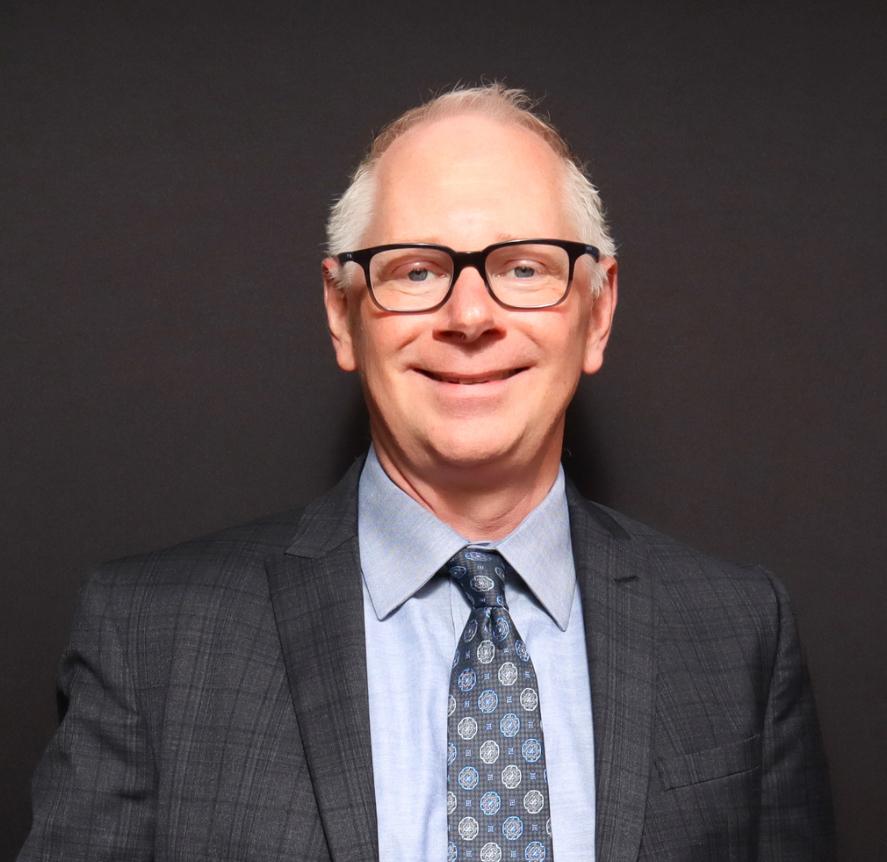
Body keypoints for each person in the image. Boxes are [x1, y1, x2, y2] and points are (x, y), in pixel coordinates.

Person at [19, 84, 834, 861]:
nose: (469, 316)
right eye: (415, 270)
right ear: (342, 314)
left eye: (523, 268)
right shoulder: (152, 638)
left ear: (597, 311)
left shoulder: (738, 634)